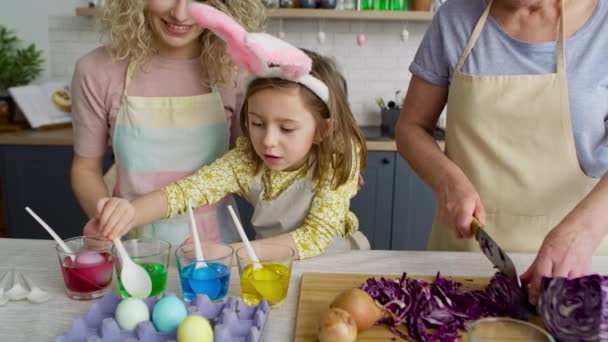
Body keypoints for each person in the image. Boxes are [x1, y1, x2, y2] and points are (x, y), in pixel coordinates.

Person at [396, 0, 608, 303]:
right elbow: (410, 127)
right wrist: (447, 180)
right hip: (467, 255)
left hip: (577, 264)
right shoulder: (456, 18)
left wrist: (583, 234)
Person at [89, 48, 368, 259]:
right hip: (268, 262)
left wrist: (228, 254)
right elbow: (188, 191)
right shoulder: (247, 158)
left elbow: (314, 237)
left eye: (287, 128)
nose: (268, 141)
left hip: (335, 259)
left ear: (321, 131)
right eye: (257, 123)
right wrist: (129, 213)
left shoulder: (338, 158)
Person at [70, 0, 265, 245]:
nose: (180, 13)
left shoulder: (237, 70)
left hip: (215, 248)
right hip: (133, 247)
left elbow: (246, 167)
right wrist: (105, 219)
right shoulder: (96, 70)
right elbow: (85, 169)